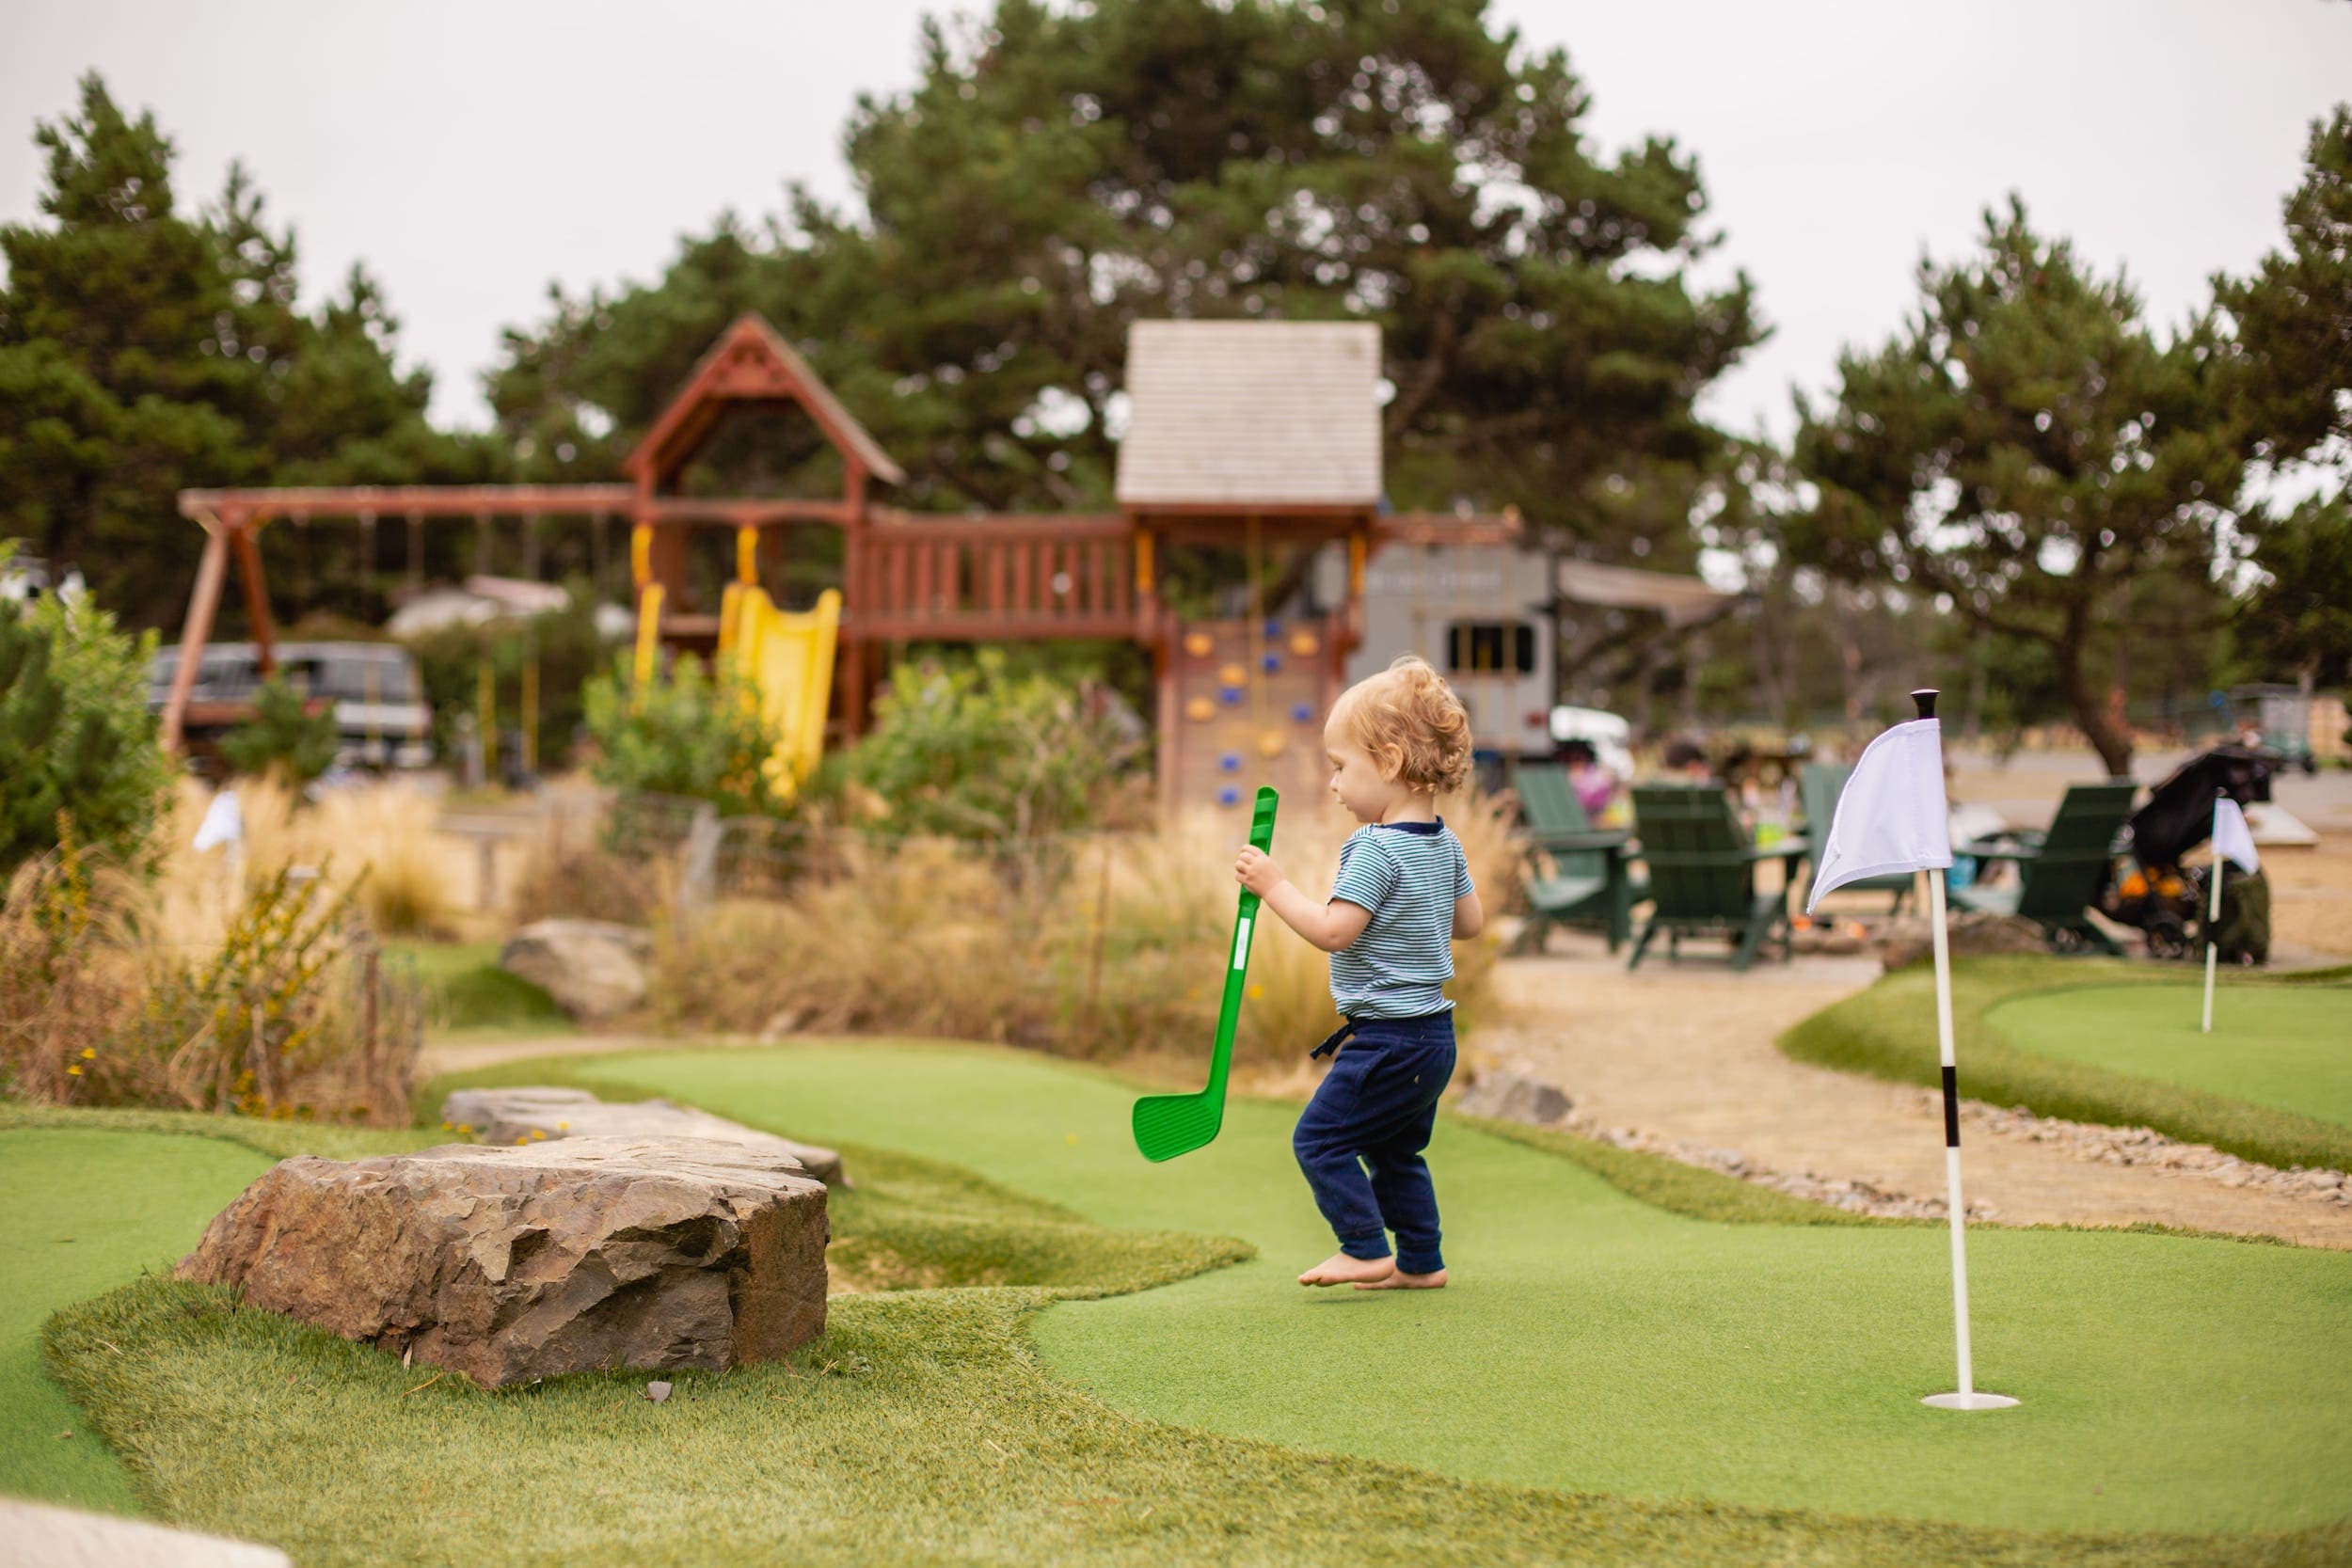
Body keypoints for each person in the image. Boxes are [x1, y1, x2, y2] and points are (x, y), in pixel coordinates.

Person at [1234, 655, 1482, 1291]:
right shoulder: (1445, 842)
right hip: (1433, 1038)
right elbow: (1471, 922)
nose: (1336, 784)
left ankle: (1364, 1246)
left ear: (1392, 761)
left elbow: (1332, 930)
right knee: (1397, 1150)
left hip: (1387, 1040)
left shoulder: (1373, 846)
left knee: (1319, 1141)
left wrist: (1274, 884)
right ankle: (1422, 1261)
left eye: (1342, 767)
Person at [1558, 737, 1617, 818]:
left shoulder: (1597, 774)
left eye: (1579, 758)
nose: (1576, 761)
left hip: (1595, 812)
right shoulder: (1565, 775)